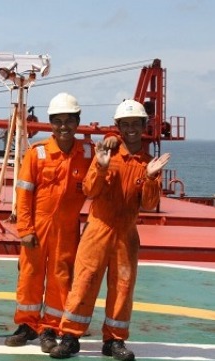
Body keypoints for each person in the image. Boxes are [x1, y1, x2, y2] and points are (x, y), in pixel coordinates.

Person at [49, 100, 170, 360]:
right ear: (118, 127)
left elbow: (149, 205)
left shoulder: (149, 163)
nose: (131, 129)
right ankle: (70, 336)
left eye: (135, 124)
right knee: (84, 281)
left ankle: (114, 341)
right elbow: (90, 190)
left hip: (126, 234)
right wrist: (102, 166)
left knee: (123, 287)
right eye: (124, 125)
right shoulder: (106, 154)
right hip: (98, 229)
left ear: (143, 126)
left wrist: (150, 177)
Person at [4, 92, 94, 353]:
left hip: (67, 228)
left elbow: (107, 166)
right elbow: (23, 193)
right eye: (57, 121)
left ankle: (50, 327)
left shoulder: (87, 152)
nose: (63, 127)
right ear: (50, 123)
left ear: (78, 122)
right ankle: (27, 325)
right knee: (29, 276)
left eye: (69, 121)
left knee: (60, 278)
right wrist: (25, 229)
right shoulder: (37, 153)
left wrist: (111, 140)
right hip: (38, 226)